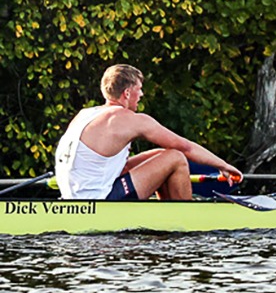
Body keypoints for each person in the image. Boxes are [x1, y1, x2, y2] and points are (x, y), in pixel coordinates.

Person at [53, 64, 245, 200]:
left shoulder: (85, 114)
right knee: (176, 157)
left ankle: (165, 214)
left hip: (74, 198)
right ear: (127, 93)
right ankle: (187, 219)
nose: (142, 95)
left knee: (161, 155)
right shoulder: (128, 119)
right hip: (100, 200)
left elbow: (107, 167)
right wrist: (224, 165)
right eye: (140, 89)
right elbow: (185, 147)